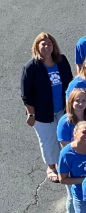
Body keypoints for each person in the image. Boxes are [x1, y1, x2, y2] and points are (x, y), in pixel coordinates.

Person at [22, 32, 73, 182]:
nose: (47, 46)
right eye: (43, 44)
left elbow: (70, 83)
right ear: (37, 46)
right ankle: (51, 167)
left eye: (49, 43)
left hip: (63, 110)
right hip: (43, 113)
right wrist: (31, 114)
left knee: (65, 137)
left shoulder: (61, 61)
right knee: (49, 140)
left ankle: (63, 164)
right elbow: (27, 95)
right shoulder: (31, 67)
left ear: (54, 46)